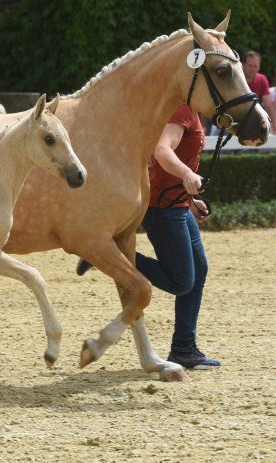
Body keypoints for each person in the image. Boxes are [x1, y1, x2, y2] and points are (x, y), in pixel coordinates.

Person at [76, 105, 220, 370]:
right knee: (180, 282)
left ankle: (184, 349)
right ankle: (104, 256)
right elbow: (162, 151)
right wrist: (188, 175)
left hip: (177, 203)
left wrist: (189, 200)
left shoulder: (192, 111)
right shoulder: (182, 111)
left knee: (199, 271)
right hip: (162, 208)